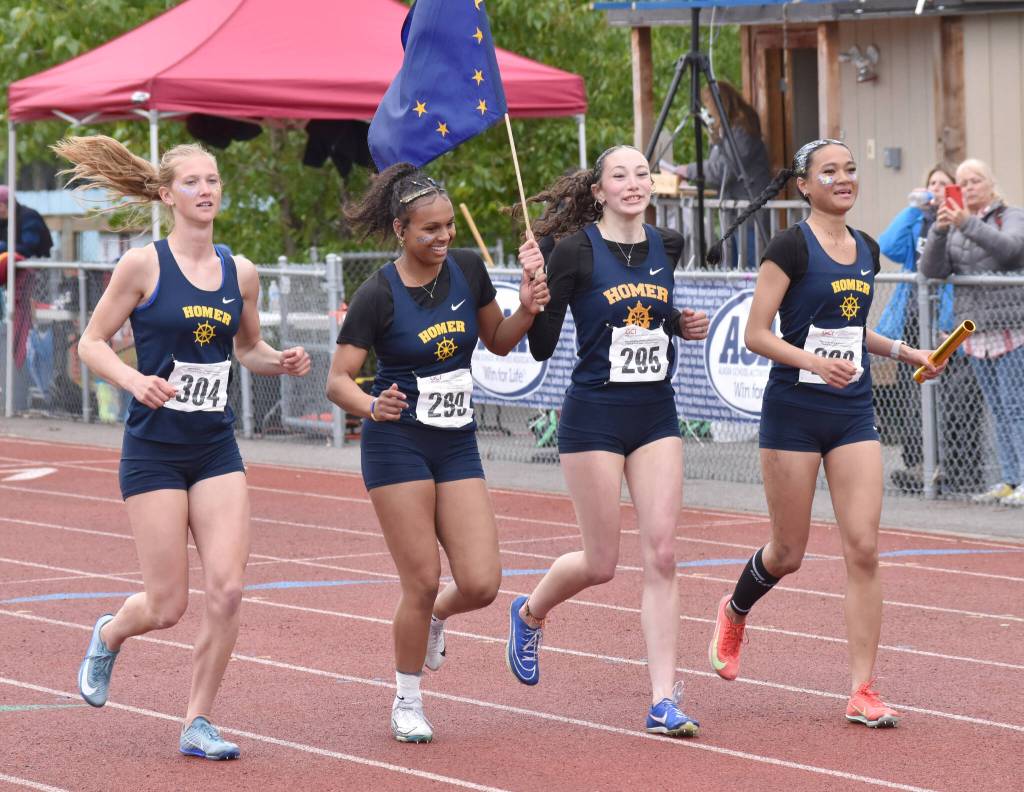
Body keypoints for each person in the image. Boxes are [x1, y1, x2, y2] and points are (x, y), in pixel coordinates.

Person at [52, 135, 311, 759]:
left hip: (214, 447)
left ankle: (198, 721)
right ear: (167, 195)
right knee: (167, 604)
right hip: (155, 451)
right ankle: (111, 633)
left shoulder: (240, 271)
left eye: (213, 181)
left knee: (227, 589)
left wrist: (281, 360)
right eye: (192, 182)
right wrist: (134, 379)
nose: (206, 191)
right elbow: (90, 343)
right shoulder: (142, 266)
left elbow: (246, 350)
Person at [703, 139, 943, 728]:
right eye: (829, 171)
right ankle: (735, 610)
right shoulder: (789, 247)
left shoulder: (867, 249)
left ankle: (863, 689)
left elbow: (852, 331)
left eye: (850, 170)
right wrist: (812, 364)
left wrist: (909, 352)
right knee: (789, 552)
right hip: (794, 410)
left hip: (852, 411)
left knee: (863, 547)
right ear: (804, 185)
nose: (843, 179)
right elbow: (758, 333)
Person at [326, 163, 548, 743]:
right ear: (400, 229)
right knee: (420, 580)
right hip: (396, 442)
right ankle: (407, 698)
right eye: (430, 229)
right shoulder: (377, 294)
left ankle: (436, 621)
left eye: (448, 226)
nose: (444, 236)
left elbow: (499, 341)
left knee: (481, 583)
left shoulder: (468, 270)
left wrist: (525, 307)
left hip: (455, 441)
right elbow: (338, 381)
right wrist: (372, 405)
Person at [506, 145, 709, 738]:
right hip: (593, 416)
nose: (633, 182)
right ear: (598, 190)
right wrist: (531, 293)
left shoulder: (668, 245)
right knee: (601, 564)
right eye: (619, 175)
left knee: (664, 553)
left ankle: (663, 699)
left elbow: (649, 314)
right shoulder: (572, 253)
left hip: (654, 413)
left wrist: (679, 323)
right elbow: (542, 346)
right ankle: (529, 612)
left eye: (642, 173)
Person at [919, 158, 1024, 507]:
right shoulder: (954, 225)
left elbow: (1011, 250)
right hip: (976, 331)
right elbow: (932, 270)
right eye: (962, 183)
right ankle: (1010, 479)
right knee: (997, 407)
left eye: (975, 180)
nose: (968, 188)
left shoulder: (1009, 215)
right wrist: (940, 228)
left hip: (1011, 327)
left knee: (1016, 407)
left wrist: (967, 222)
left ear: (991, 184)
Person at [875, 167, 957, 493]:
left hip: (942, 318)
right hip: (912, 315)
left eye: (942, 184)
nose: (935, 189)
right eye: (931, 183)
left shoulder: (956, 223)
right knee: (912, 394)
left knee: (942, 395)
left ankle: (942, 464)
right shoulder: (918, 220)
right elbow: (888, 245)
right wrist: (913, 207)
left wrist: (949, 324)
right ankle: (915, 464)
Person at [673, 81, 772, 267]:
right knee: (733, 268)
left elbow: (724, 170)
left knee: (748, 271)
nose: (707, 110)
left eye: (708, 103)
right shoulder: (729, 130)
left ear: (720, 103)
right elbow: (718, 169)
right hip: (734, 214)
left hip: (747, 214)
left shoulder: (741, 130)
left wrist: (689, 170)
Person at [1, 184, 54, 409]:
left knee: (29, 341)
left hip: (35, 286)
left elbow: (29, 247)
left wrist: (4, 248)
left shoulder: (28, 217)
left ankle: (31, 395)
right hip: (10, 288)